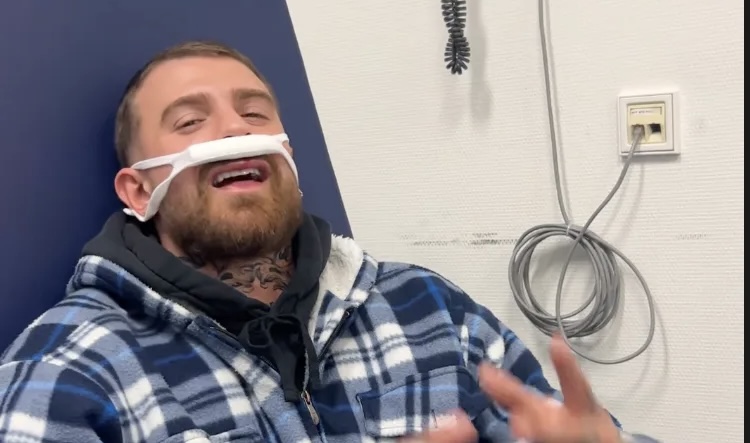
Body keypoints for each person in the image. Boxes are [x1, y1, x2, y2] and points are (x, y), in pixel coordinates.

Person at [0, 40, 659, 443]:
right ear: (139, 190)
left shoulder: (426, 308)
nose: (235, 129)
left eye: (254, 112)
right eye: (191, 121)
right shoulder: (70, 370)